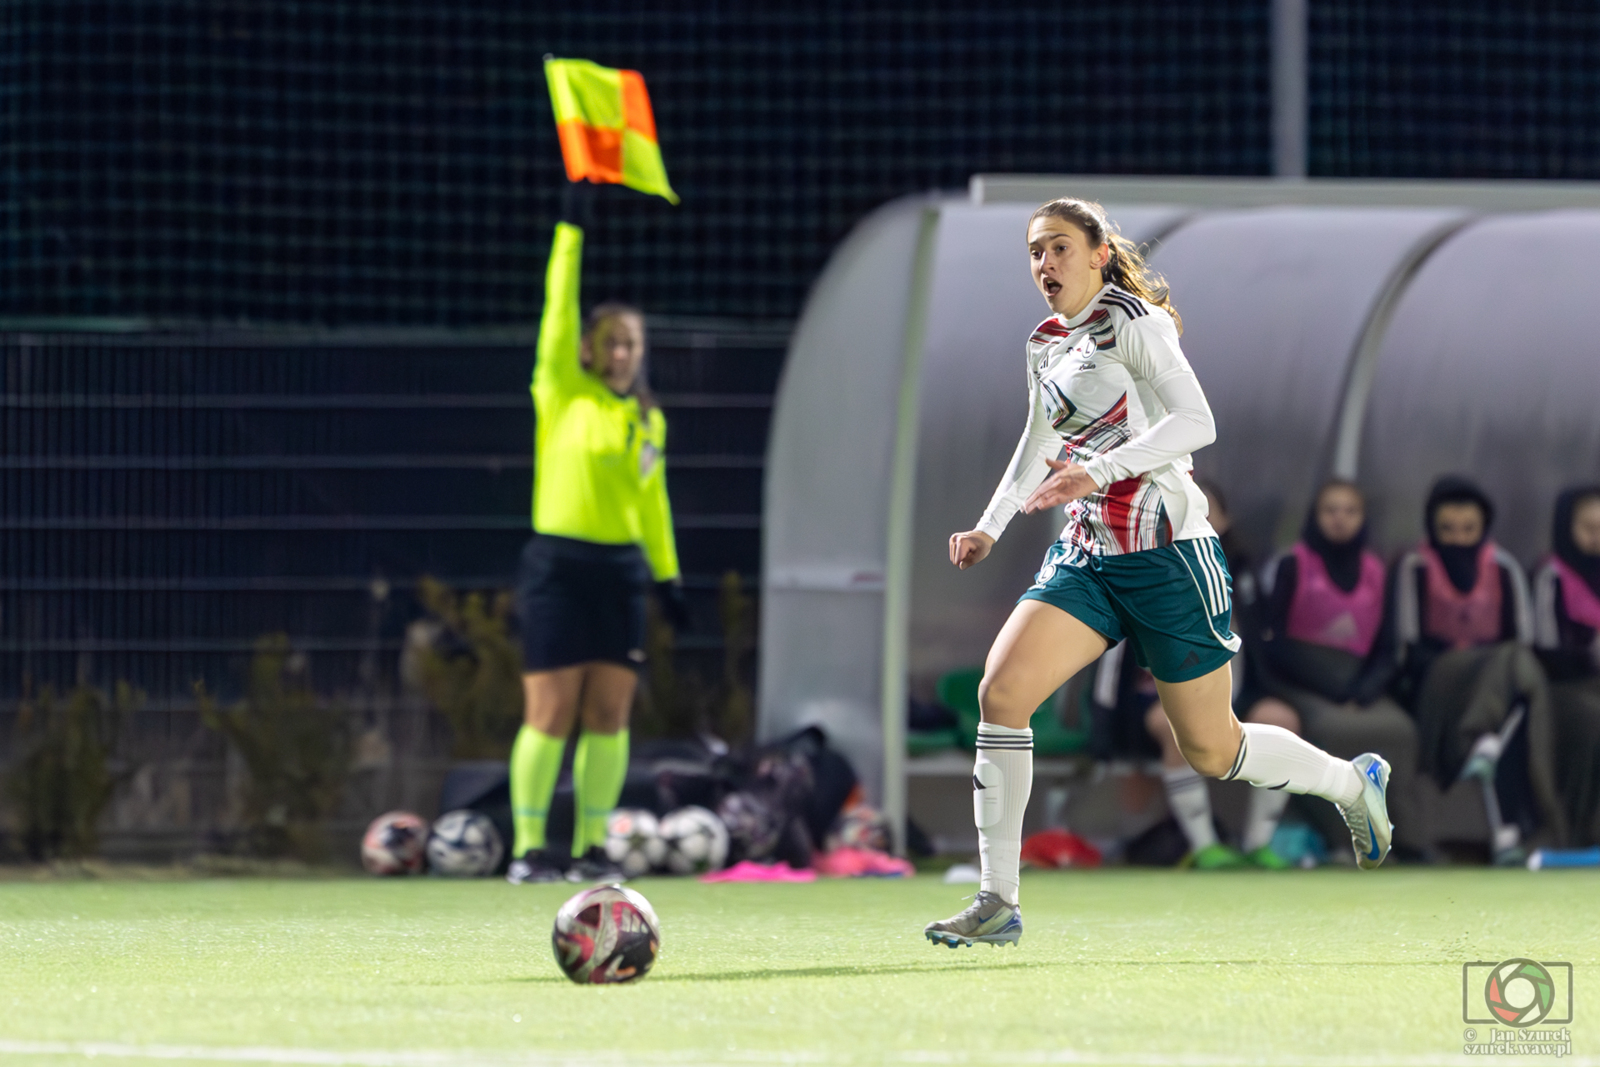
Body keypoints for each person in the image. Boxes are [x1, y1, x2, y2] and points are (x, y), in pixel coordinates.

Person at [924, 198, 1393, 949]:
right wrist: (990, 523)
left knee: (1213, 748)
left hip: (1170, 555)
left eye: (1060, 248)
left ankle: (1351, 782)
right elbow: (1038, 440)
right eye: (1035, 252)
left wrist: (1096, 471)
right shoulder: (1047, 341)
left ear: (1100, 253)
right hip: (1088, 557)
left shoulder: (1133, 322)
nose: (1046, 264)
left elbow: (1196, 421)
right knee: (1001, 693)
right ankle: (998, 900)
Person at [505, 185, 689, 885]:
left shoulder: (648, 420)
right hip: (558, 565)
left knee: (609, 712)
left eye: (631, 343)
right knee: (550, 710)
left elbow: (653, 506)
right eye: (610, 341)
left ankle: (592, 847)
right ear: (589, 347)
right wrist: (569, 234)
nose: (621, 353)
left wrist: (667, 577)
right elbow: (557, 310)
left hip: (620, 572)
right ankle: (527, 850)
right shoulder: (561, 391)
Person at [1393, 475, 1565, 861]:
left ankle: (1522, 815)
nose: (1458, 539)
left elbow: (1524, 637)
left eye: (1468, 530)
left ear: (1484, 528)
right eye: (1447, 530)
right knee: (1514, 664)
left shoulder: (1503, 568)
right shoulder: (1415, 567)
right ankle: (1476, 740)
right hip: (1440, 682)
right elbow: (1407, 646)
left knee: (1520, 674)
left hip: (1501, 684)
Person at [1256, 479, 1427, 859]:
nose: (1340, 519)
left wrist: (1363, 690)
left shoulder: (1376, 570)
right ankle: (1343, 839)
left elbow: (1388, 645)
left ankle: (1405, 839)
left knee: (1400, 730)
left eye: (1350, 511)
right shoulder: (1292, 563)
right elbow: (1273, 643)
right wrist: (1330, 688)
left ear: (1363, 518)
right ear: (1315, 517)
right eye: (1330, 510)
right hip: (1304, 680)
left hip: (1359, 683)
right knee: (1330, 730)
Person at [1142, 478, 1305, 870]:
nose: (1194, 516)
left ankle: (1258, 844)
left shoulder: (1243, 574)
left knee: (1281, 722)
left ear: (1226, 519)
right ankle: (1204, 846)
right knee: (1172, 724)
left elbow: (1264, 642)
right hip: (1166, 694)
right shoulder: (1143, 569)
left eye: (1205, 507)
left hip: (1237, 693)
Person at [1532, 486, 1600, 846]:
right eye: (1587, 527)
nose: (1595, 537)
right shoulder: (1551, 576)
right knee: (1593, 720)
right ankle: (1580, 829)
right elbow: (1545, 648)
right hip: (1564, 688)